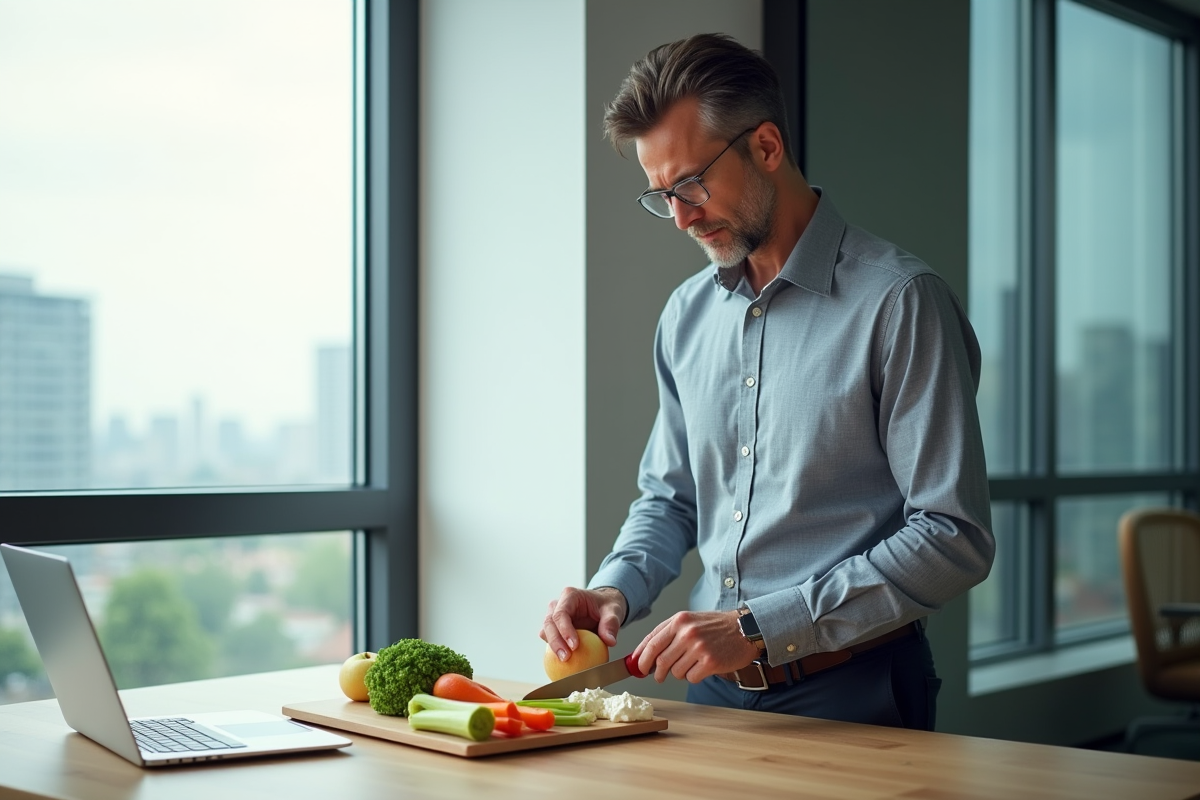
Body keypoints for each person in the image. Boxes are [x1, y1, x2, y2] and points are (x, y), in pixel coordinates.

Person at [541, 33, 993, 731]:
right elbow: (671, 500)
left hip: (858, 694)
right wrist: (614, 592)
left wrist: (759, 625)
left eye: (691, 185)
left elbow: (952, 534)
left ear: (767, 147)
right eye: (661, 196)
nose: (681, 218)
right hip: (713, 697)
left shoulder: (900, 301)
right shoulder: (687, 315)